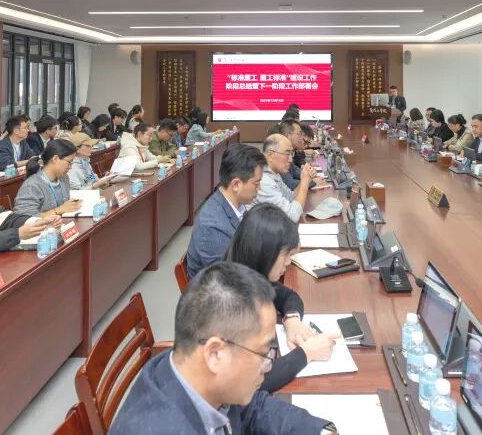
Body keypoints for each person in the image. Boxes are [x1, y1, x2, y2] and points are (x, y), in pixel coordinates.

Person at [108, 262, 332, 435]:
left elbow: (252, 409)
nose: (268, 366)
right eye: (263, 354)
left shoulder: (190, 369)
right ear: (215, 353)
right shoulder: (161, 426)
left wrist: (320, 431)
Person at [224, 205, 338, 392]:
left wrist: (291, 320)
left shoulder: (249, 273)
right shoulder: (231, 300)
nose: (288, 262)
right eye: (286, 255)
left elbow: (289, 296)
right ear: (266, 252)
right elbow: (251, 381)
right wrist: (306, 353)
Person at [185, 145, 266, 279]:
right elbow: (228, 282)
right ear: (236, 185)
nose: (259, 188)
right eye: (256, 184)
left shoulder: (236, 204)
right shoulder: (213, 227)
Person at [13, 140, 84, 219]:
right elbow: (23, 218)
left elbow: (64, 206)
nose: (70, 167)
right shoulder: (32, 185)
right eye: (69, 162)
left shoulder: (64, 178)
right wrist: (59, 210)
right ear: (55, 159)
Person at [253, 134, 316, 223]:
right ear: (270, 155)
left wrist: (304, 179)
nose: (290, 159)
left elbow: (290, 197)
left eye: (291, 154)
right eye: (287, 154)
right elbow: (293, 217)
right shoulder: (263, 181)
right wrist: (305, 184)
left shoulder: (274, 172)